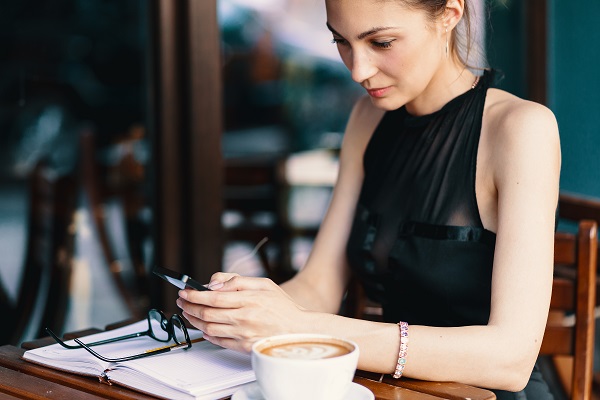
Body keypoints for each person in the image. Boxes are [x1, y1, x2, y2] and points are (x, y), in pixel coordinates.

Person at [176, 0, 560, 398]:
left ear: (450, 15)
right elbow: (320, 285)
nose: (358, 70)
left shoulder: (521, 130)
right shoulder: (367, 118)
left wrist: (298, 325)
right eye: (341, 41)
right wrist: (244, 310)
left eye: (382, 42)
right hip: (394, 391)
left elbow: (510, 360)